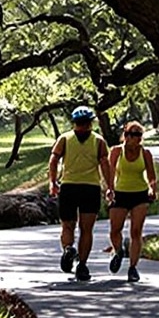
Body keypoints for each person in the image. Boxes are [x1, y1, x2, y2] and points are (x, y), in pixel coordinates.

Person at [48, 105, 105, 281]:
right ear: (91, 123)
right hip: (90, 187)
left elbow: (54, 160)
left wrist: (52, 181)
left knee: (67, 225)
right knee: (86, 229)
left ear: (74, 123)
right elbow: (105, 165)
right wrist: (109, 186)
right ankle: (82, 265)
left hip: (69, 187)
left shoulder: (64, 138)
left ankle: (68, 249)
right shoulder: (98, 140)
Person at [102, 121, 159, 284]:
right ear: (125, 135)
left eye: (138, 135)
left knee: (136, 232)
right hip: (120, 194)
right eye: (132, 134)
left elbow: (152, 175)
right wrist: (109, 189)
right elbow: (111, 172)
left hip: (139, 194)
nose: (135, 138)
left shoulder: (145, 153)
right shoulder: (116, 151)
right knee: (115, 230)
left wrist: (153, 189)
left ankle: (133, 268)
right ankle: (118, 251)